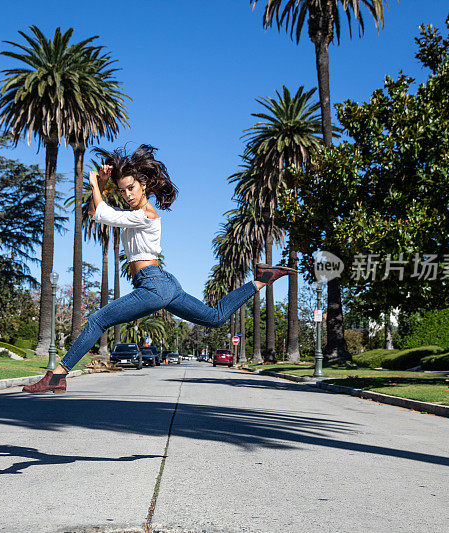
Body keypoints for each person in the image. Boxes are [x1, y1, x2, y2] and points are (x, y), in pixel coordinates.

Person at [23, 145, 294, 393]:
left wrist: (95, 183)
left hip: (153, 285)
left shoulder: (146, 215)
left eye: (131, 188)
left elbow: (103, 214)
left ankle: (58, 376)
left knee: (97, 320)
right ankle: (260, 280)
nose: (127, 195)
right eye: (123, 191)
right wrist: (103, 186)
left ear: (143, 185)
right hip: (164, 283)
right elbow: (98, 213)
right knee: (214, 317)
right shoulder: (132, 215)